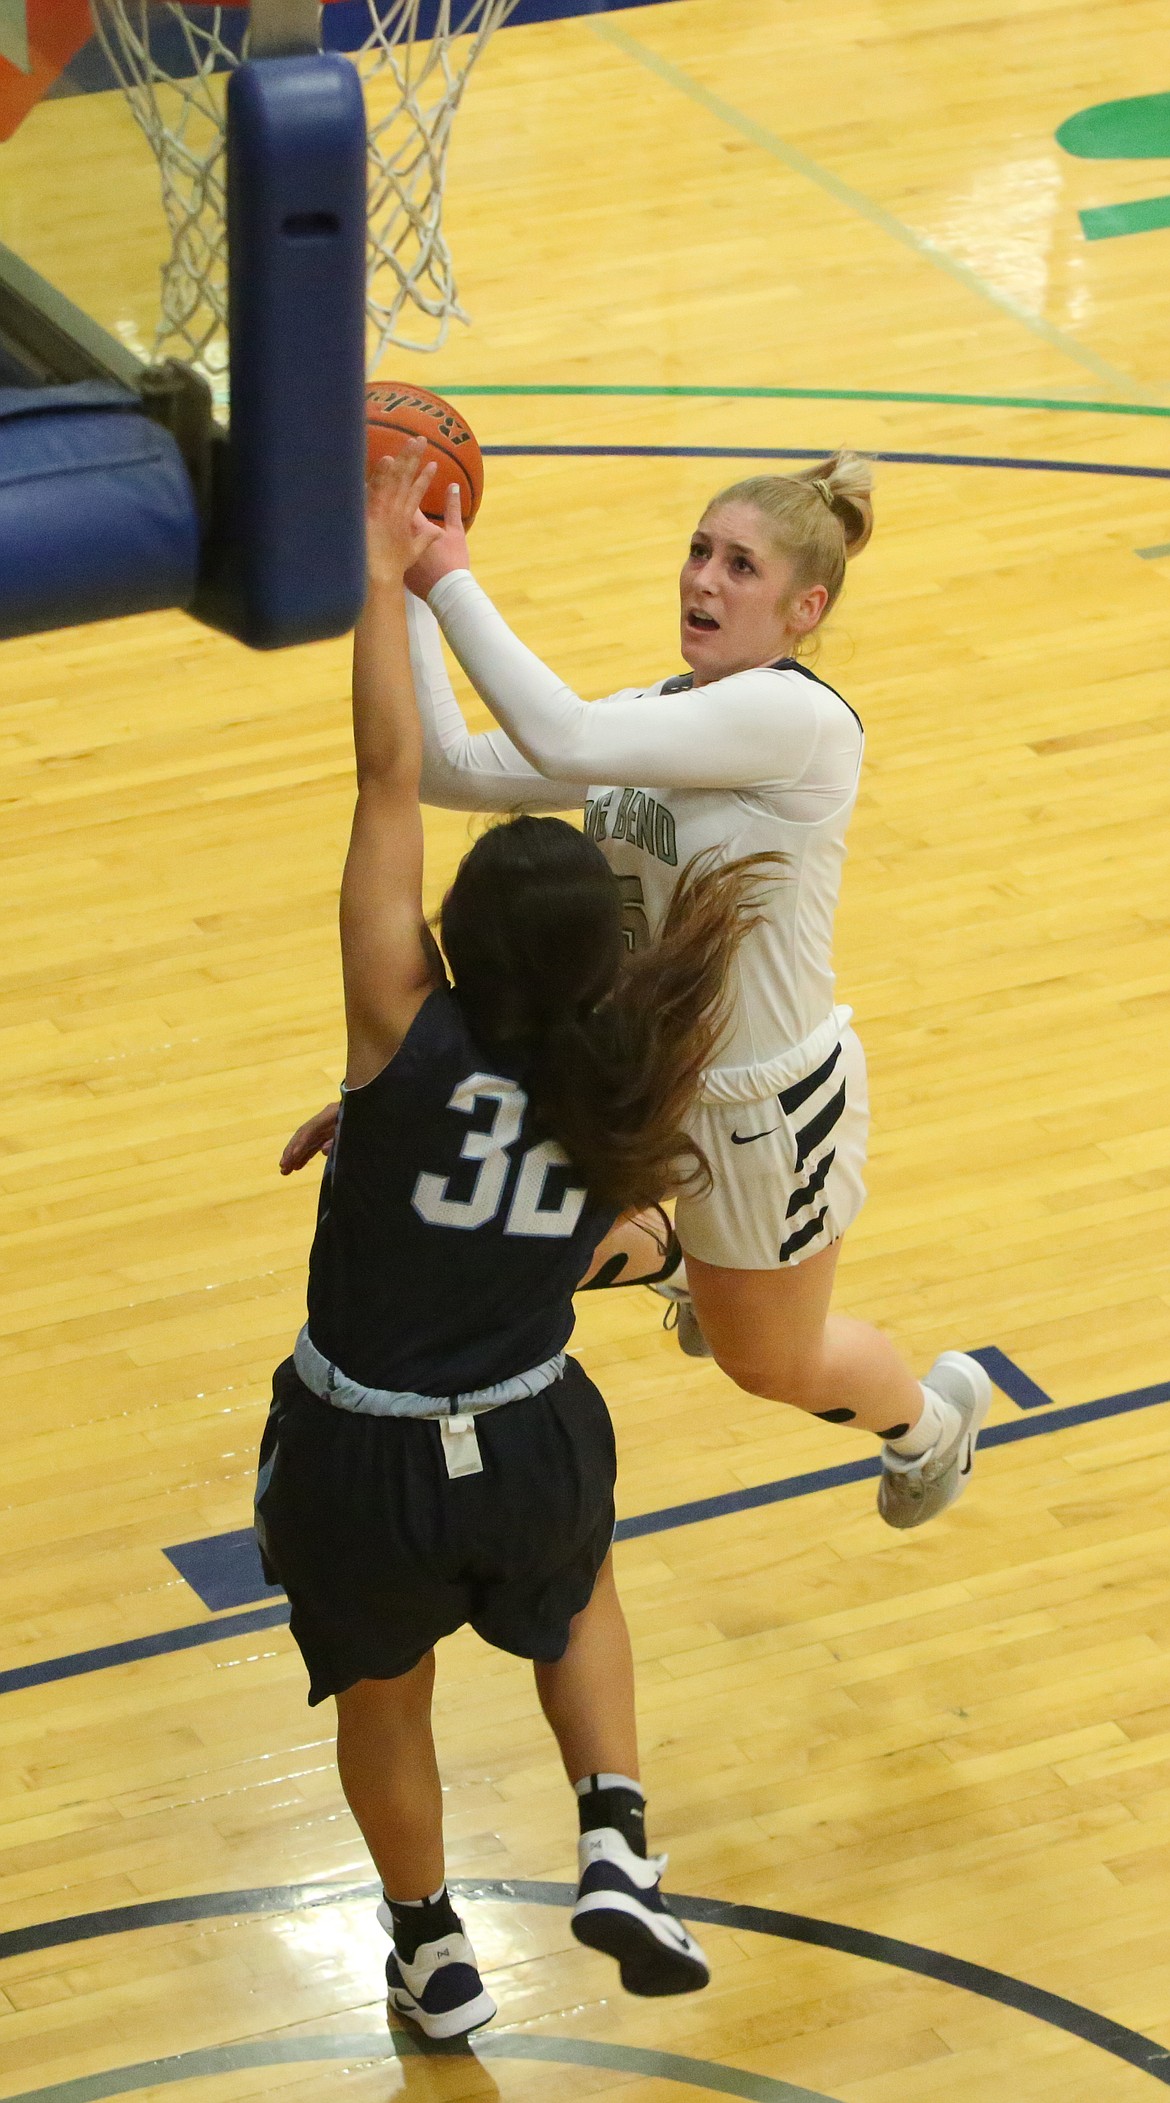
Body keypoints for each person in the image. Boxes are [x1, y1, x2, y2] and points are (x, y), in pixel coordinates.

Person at [258, 443, 775, 2041]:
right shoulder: (621, 1077)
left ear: (459, 941)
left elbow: (386, 778)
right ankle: (614, 1828)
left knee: (385, 1694)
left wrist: (379, 576)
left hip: (365, 1451)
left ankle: (432, 1949)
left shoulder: (398, 1028)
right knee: (580, 1588)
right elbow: (631, 1230)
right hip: (533, 1431)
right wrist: (654, 1255)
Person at [285, 453, 990, 1532]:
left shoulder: (797, 722)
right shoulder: (661, 713)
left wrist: (445, 576)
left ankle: (932, 1426)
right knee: (479, 1215)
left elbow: (561, 735)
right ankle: (686, 1259)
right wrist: (405, 574)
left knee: (770, 1361)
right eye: (701, 550)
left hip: (760, 1105)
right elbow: (450, 770)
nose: (704, 578)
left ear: (805, 610)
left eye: (741, 565)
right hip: (636, 1067)